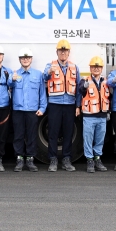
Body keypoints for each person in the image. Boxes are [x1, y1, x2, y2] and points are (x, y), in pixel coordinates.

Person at [43, 39, 81, 172]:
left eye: (65, 51)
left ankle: (66, 159)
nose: (63, 53)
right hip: (55, 104)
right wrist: (48, 72)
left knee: (68, 133)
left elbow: (78, 88)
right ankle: (53, 160)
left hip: (70, 105)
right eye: (61, 51)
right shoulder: (50, 65)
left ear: (69, 52)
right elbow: (43, 79)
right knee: (53, 132)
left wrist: (78, 106)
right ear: (57, 52)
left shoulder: (74, 67)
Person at [10, 48, 46, 172]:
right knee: (18, 135)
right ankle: (19, 160)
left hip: (32, 110)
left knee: (31, 135)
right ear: (20, 60)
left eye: (28, 58)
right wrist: (12, 80)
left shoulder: (38, 74)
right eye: (23, 58)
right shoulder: (14, 74)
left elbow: (42, 93)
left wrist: (42, 108)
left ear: (31, 59)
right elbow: (8, 88)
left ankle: (30, 160)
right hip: (18, 110)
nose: (25, 60)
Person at [77, 56, 110, 173]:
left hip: (102, 116)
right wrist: (84, 87)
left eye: (98, 67)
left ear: (101, 69)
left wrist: (108, 112)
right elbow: (81, 89)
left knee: (100, 139)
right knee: (88, 139)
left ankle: (97, 159)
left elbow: (109, 96)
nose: (96, 69)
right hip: (89, 116)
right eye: (94, 67)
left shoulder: (106, 81)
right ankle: (90, 160)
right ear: (90, 68)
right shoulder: (84, 80)